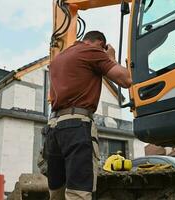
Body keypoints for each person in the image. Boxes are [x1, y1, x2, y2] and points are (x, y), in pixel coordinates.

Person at [47, 30, 132, 200]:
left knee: (56, 192)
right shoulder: (92, 52)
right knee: (79, 191)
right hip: (76, 126)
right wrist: (110, 58)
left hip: (53, 128)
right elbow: (126, 79)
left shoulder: (58, 59)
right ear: (100, 43)